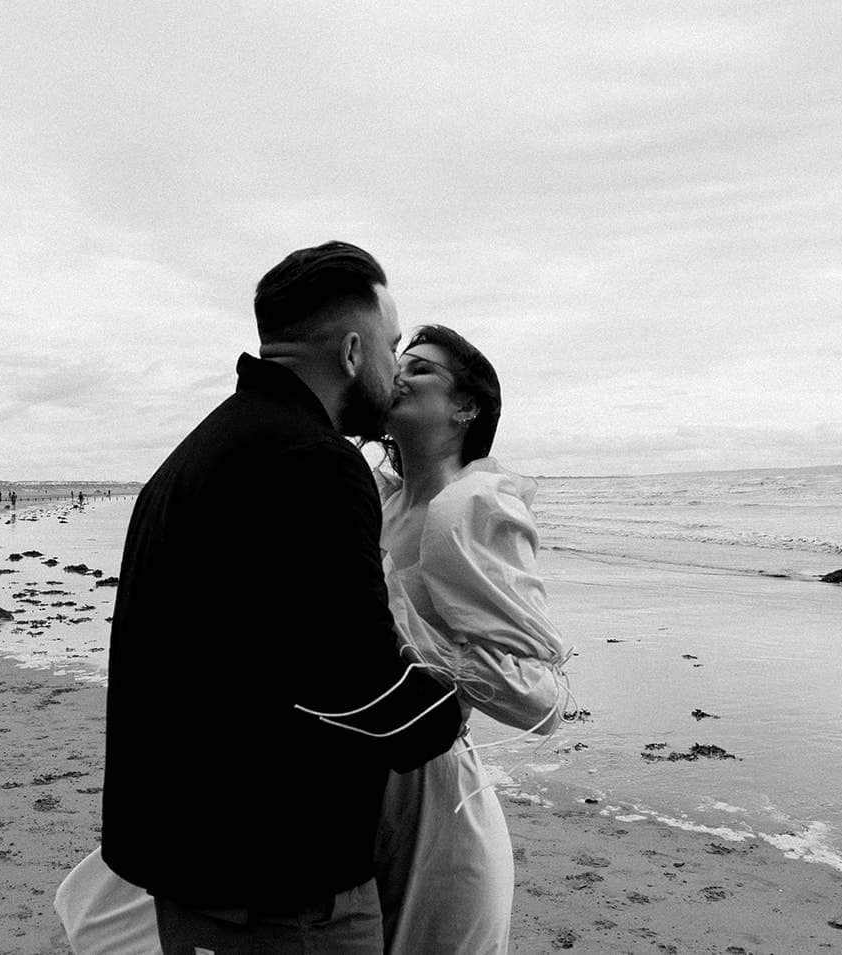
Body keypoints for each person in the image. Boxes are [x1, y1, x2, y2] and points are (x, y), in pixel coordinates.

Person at [88, 242, 464, 954]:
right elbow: (353, 681)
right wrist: (451, 705)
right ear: (353, 351)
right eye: (391, 348)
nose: (395, 371)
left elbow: (263, 655)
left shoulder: (196, 454)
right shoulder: (315, 462)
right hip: (277, 895)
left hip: (195, 875)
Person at [372, 324, 570, 954]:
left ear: (467, 408)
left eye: (423, 369)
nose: (401, 372)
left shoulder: (468, 512)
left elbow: (543, 700)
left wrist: (410, 632)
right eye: (398, 360)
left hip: (436, 805)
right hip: (361, 793)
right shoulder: (376, 503)